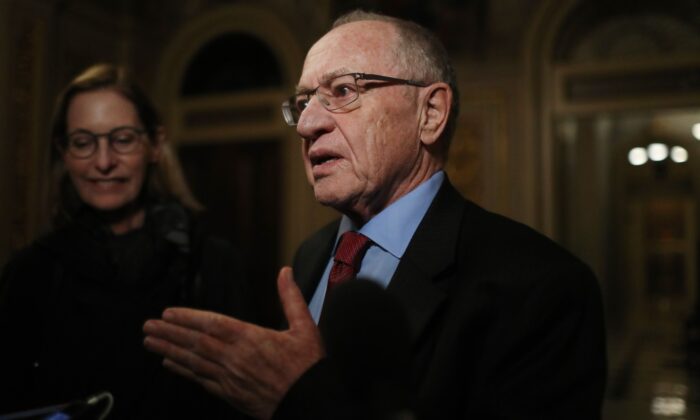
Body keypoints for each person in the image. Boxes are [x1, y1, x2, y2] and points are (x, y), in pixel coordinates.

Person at [143, 10, 607, 420]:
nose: (307, 125)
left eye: (343, 90)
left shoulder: (542, 288)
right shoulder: (313, 255)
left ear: (430, 113)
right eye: (303, 103)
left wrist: (301, 400)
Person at [0, 64, 251, 419]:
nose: (104, 162)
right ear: (64, 153)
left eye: (122, 139)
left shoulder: (210, 262)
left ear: (154, 145)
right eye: (84, 143)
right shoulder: (31, 273)